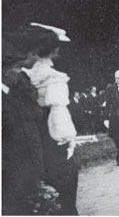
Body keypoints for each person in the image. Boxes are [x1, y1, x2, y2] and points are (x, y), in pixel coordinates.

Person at [21, 22, 79, 215]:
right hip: (51, 140)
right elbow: (60, 123)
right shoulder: (54, 78)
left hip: (30, 141)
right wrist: (68, 140)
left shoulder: (23, 75)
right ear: (53, 51)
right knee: (64, 197)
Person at [2, 34, 45, 215]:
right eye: (17, 69)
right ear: (5, 71)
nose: (20, 73)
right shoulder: (5, 100)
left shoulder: (10, 96)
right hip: (11, 174)